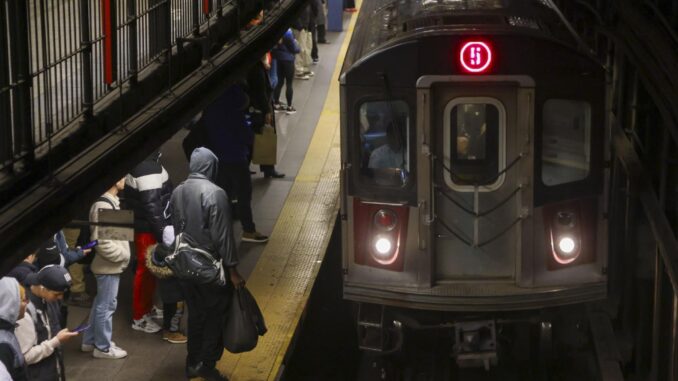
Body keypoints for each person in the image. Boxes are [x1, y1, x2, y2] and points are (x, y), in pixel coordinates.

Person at [170, 147, 245, 381]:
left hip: (184, 266)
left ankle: (192, 363)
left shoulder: (177, 191)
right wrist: (232, 269)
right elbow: (223, 237)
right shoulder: (215, 193)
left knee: (196, 315)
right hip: (210, 269)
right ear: (211, 167)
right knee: (215, 315)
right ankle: (207, 365)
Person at [203, 84, 269, 243]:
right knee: (243, 194)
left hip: (217, 158)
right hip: (236, 158)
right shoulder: (234, 114)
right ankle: (249, 230)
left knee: (221, 194)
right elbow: (247, 137)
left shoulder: (211, 109)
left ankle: (217, 229)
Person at [81, 178, 131, 359]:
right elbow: (102, 244)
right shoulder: (106, 205)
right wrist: (124, 256)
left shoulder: (109, 202)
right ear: (115, 180)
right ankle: (102, 347)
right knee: (107, 306)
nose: (125, 179)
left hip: (107, 265)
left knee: (100, 304)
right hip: (108, 267)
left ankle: (90, 340)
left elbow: (115, 237)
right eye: (123, 176)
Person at [125, 152, 173, 334]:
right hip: (149, 229)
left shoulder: (143, 163)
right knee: (145, 270)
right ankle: (140, 317)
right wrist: (163, 233)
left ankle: (147, 307)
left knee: (147, 270)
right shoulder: (148, 169)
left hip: (145, 227)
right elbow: (152, 206)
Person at [15, 265, 78, 380]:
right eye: (57, 294)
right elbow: (25, 357)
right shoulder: (25, 314)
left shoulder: (48, 299)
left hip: (53, 369)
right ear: (43, 288)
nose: (60, 298)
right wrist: (56, 341)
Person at [247, 54, 285, 179]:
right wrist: (267, 111)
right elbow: (261, 92)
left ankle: (250, 167)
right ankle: (268, 169)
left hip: (257, 109)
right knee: (263, 138)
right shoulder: (257, 69)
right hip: (260, 110)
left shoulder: (256, 66)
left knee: (254, 139)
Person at [0, 277, 28, 381]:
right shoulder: (3, 346)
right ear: (10, 303)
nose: (27, 303)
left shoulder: (7, 330)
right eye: (22, 299)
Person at [272, 28, 301, 114]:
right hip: (288, 60)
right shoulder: (287, 32)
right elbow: (294, 49)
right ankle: (289, 107)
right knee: (289, 83)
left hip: (278, 58)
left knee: (279, 81)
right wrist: (297, 47)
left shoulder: (275, 30)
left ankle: (276, 104)